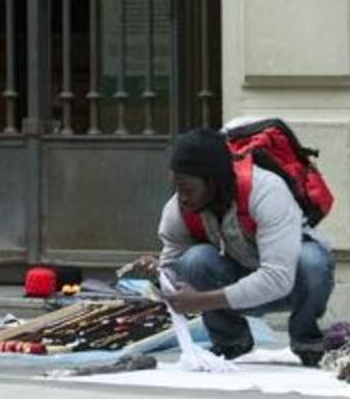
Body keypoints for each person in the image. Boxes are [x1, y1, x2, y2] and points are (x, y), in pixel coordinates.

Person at [129, 129, 335, 366]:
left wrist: (202, 301)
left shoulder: (267, 191)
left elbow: (278, 278)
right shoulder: (177, 211)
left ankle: (306, 340)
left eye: (188, 189)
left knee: (314, 260)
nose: (181, 197)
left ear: (213, 181)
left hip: (289, 285)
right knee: (194, 259)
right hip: (238, 283)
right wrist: (158, 277)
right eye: (176, 188)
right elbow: (175, 278)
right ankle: (231, 341)